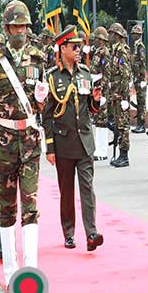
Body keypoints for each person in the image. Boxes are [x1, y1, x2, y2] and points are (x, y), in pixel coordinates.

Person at [0, 0, 48, 287]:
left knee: (31, 205)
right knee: (7, 207)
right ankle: (10, 271)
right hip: (4, 144)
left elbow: (41, 104)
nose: (20, 31)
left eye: (24, 26)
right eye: (16, 26)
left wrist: (43, 100)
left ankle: (30, 269)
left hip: (31, 141)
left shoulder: (38, 57)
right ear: (7, 28)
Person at [42, 25, 104, 252]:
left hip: (85, 141)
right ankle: (69, 232)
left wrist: (96, 100)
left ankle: (91, 233)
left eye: (79, 46)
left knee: (87, 188)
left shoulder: (85, 73)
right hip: (63, 142)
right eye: (74, 46)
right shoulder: (52, 77)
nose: (79, 50)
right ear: (63, 48)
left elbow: (90, 109)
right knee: (67, 191)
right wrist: (49, 147)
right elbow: (47, 115)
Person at [107, 22, 132, 167]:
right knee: (118, 124)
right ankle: (121, 154)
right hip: (116, 94)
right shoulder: (114, 51)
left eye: (111, 33)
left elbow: (125, 74)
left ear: (116, 35)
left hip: (121, 95)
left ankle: (124, 155)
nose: (109, 36)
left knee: (123, 125)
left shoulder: (121, 50)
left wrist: (124, 97)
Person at [89, 26, 111, 161]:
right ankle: (98, 148)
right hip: (96, 88)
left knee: (102, 121)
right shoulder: (97, 51)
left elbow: (106, 73)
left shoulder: (104, 53)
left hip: (101, 89)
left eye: (96, 39)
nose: (94, 41)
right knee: (98, 120)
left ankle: (102, 151)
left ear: (101, 39)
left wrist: (103, 92)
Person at [130, 24, 147, 134]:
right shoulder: (136, 46)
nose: (133, 36)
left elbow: (142, 62)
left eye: (135, 34)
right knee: (138, 101)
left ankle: (142, 124)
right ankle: (139, 123)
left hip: (140, 78)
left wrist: (142, 79)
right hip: (137, 78)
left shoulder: (140, 46)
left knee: (141, 102)